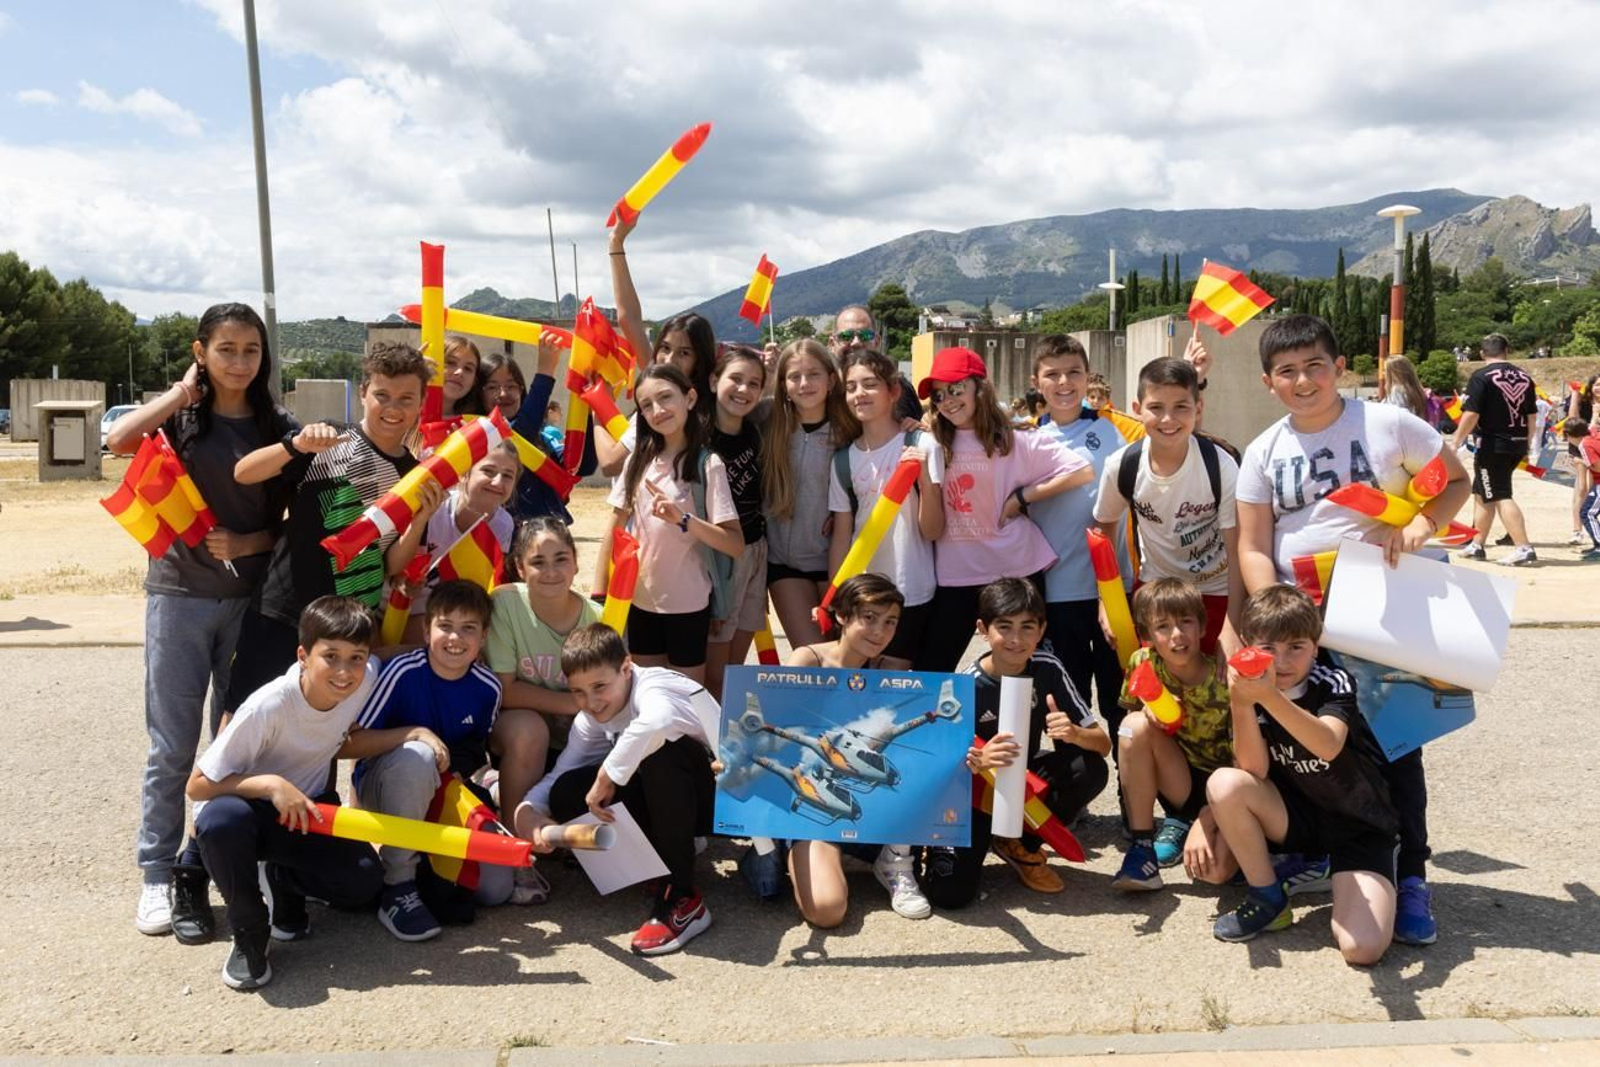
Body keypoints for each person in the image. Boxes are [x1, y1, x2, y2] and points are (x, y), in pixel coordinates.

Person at [1235, 313, 1471, 948]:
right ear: (1269, 381)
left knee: (1397, 744)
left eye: (1315, 365)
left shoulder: (1389, 423)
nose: (1303, 380)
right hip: (1302, 627)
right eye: (1288, 371)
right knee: (1304, 741)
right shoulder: (1262, 451)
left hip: (1386, 613)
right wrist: (1279, 613)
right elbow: (1255, 547)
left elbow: (1456, 481)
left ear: (1341, 368)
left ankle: (1412, 872)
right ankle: (1318, 851)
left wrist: (1424, 525)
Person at [105, 303, 297, 942]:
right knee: (171, 746)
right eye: (226, 349)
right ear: (201, 351)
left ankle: (231, 864)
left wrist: (247, 544)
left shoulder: (279, 426)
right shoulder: (182, 421)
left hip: (253, 607)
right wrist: (180, 393)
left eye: (251, 350)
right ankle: (157, 872)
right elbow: (118, 441)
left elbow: (300, 521)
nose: (240, 362)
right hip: (179, 598)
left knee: (242, 743)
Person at [186, 596, 385, 991]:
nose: (345, 671)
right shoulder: (269, 706)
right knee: (223, 820)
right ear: (303, 655)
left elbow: (341, 740)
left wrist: (413, 734)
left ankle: (280, 877)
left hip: (305, 812)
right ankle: (250, 930)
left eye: (356, 657)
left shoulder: (366, 682)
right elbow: (197, 785)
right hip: (246, 812)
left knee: (363, 882)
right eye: (331, 656)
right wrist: (270, 784)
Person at [1206, 586, 1399, 966]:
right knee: (1224, 783)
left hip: (1356, 824)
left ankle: (1359, 869)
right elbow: (1254, 771)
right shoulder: (1247, 689)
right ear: (1247, 645)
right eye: (1268, 648)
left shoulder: (1333, 681)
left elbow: (1327, 744)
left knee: (1361, 949)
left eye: (1296, 646)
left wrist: (1267, 698)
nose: (1281, 661)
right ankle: (1267, 896)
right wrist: (1242, 705)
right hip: (1296, 818)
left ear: (1315, 644)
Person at [229, 341, 430, 705]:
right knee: (242, 718)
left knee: (321, 740)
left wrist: (420, 519)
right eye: (382, 394)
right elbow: (243, 473)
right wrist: (297, 446)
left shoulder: (412, 476)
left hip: (347, 630)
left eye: (406, 398)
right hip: (283, 609)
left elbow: (390, 565)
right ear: (364, 392)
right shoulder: (329, 439)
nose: (393, 408)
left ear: (421, 403)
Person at [518, 624, 720, 956]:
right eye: (579, 692)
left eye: (599, 686)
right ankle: (653, 866)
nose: (591, 702)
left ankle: (682, 896)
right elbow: (562, 773)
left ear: (626, 668)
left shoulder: (654, 686)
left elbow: (658, 722)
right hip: (668, 799)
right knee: (567, 792)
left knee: (659, 750)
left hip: (717, 801)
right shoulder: (592, 717)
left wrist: (609, 773)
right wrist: (528, 813)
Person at [340, 580, 511, 941]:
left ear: (483, 637)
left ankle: (425, 869)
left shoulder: (488, 686)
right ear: (425, 628)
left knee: (495, 892)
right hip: (386, 788)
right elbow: (349, 745)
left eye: (468, 629)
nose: (455, 638)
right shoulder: (402, 673)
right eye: (445, 626)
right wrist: (412, 732)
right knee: (418, 757)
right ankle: (398, 886)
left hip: (446, 796)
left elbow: (474, 751)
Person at [921, 579, 1109, 907]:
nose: (1016, 639)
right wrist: (977, 758)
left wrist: (1075, 733)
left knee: (1090, 768)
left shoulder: (1047, 667)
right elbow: (935, 767)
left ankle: (1020, 843)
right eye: (1004, 627)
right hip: (975, 792)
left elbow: (1103, 744)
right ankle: (948, 843)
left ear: (1041, 630)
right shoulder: (965, 685)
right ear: (983, 629)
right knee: (950, 895)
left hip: (1023, 777)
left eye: (1027, 627)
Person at [918, 346, 1091, 672]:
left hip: (1016, 569)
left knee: (1025, 672)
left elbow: (1081, 470)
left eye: (955, 389)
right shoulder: (933, 443)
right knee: (933, 668)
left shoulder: (1014, 439)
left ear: (980, 388)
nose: (947, 400)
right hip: (957, 574)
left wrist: (1021, 498)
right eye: (938, 395)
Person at [781, 575, 931, 925]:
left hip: (868, 797)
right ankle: (795, 855)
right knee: (827, 910)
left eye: (890, 621)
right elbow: (778, 733)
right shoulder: (807, 661)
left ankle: (891, 857)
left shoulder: (892, 673)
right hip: (814, 797)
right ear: (842, 616)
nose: (880, 631)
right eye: (869, 617)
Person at [1029, 335, 1139, 754]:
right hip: (1058, 593)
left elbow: (1169, 431)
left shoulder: (1117, 430)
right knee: (1069, 696)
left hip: (1114, 590)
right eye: (1052, 374)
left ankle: (1133, 790)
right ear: (1037, 381)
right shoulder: (1024, 440)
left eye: (1073, 372)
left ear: (1087, 376)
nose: (1064, 382)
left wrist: (1195, 380)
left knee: (1123, 695)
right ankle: (1076, 782)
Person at [1094, 356, 1244, 656]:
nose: (1168, 419)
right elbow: (1103, 529)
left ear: (1198, 408)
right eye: (1156, 408)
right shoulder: (1121, 465)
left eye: (1181, 407)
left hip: (1216, 593)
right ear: (1137, 410)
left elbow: (1237, 549)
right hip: (1155, 593)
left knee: (1219, 696)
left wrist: (1233, 626)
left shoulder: (1221, 465)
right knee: (1157, 696)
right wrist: (1107, 601)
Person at [603, 364, 743, 683]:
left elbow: (734, 544)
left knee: (685, 698)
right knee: (646, 694)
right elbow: (613, 529)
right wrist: (602, 595)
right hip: (638, 600)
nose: (658, 410)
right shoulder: (636, 461)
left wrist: (684, 519)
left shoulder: (709, 464)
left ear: (690, 398)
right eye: (647, 405)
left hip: (688, 604)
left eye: (666, 397)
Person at [1110, 580, 1240, 891]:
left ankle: (1201, 825)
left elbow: (1245, 759)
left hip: (1225, 787)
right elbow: (1129, 735)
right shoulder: (1142, 663)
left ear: (1203, 627)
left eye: (1185, 622)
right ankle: (1142, 850)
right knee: (1134, 724)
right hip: (1178, 781)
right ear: (1147, 636)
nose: (1177, 635)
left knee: (1213, 873)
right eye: (1163, 626)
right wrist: (1148, 709)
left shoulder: (1224, 679)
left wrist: (1210, 817)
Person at [828, 348, 945, 664]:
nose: (859, 394)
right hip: (861, 596)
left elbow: (933, 530)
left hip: (913, 590)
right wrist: (834, 594)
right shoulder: (842, 460)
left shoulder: (922, 445)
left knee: (898, 693)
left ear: (893, 392)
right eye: (851, 387)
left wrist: (923, 480)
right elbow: (842, 535)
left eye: (869, 384)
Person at [597, 217, 716, 476]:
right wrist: (616, 242)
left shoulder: (674, 410)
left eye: (684, 353)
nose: (669, 359)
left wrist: (598, 411)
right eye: (665, 348)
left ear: (701, 359)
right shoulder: (658, 381)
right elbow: (628, 318)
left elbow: (609, 463)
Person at [763, 339, 859, 649]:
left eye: (814, 374)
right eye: (794, 376)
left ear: (831, 380)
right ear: (783, 384)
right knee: (813, 655)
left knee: (845, 657)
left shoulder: (851, 428)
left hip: (838, 559)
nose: (804, 384)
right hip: (784, 564)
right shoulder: (767, 422)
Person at [384, 443, 519, 643]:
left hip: (452, 612)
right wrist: (404, 582)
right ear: (465, 473)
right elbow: (395, 571)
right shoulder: (434, 507)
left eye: (508, 475)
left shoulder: (503, 524)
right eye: (488, 471)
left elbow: (486, 578)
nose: (498, 482)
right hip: (400, 609)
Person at [704, 346, 771, 700]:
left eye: (754, 383)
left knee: (734, 670)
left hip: (757, 550)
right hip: (720, 557)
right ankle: (709, 749)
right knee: (714, 673)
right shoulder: (698, 435)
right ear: (714, 380)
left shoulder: (756, 430)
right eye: (735, 379)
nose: (743, 390)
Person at [476, 341, 597, 525]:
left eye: (511, 386)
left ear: (522, 391)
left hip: (549, 535)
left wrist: (585, 409)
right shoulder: (479, 438)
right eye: (492, 387)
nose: (502, 393)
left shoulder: (543, 437)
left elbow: (583, 466)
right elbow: (517, 434)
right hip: (509, 540)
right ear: (478, 394)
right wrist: (545, 371)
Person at [1451, 333, 1539, 566]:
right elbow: (1532, 415)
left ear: (1482, 353)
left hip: (1493, 445)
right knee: (1482, 493)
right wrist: (1528, 443)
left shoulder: (1481, 377)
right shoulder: (1525, 377)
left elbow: (1471, 413)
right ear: (1506, 351)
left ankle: (1524, 548)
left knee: (1499, 494)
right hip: (1517, 442)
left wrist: (1456, 441)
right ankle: (1477, 544)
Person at [831, 304, 922, 423]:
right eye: (846, 336)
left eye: (865, 335)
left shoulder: (900, 389)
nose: (856, 342)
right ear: (832, 344)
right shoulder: (822, 390)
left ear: (877, 342)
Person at [1564, 418, 1600, 559]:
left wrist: (1583, 462)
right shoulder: (1592, 431)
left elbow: (1597, 467)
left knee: (1587, 513)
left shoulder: (1584, 445)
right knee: (1588, 511)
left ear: (1570, 435)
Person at [1381, 354, 1430, 422]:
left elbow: (1396, 417)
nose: (1383, 373)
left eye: (1385, 370)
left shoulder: (1397, 390)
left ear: (1394, 372)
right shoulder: (1416, 390)